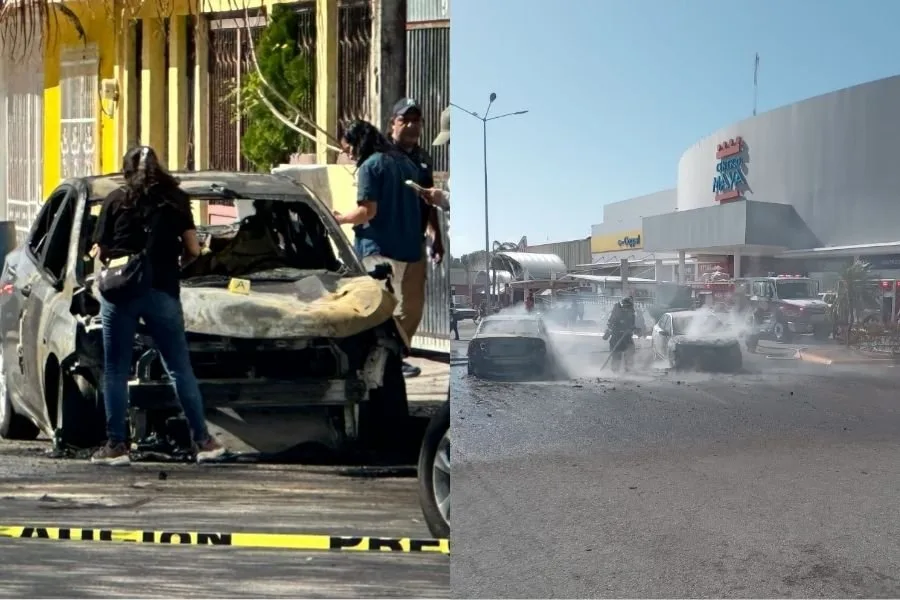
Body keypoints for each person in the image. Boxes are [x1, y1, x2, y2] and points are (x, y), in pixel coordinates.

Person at [90, 146, 226, 466]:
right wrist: (175, 264)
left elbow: (101, 251)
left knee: (116, 370)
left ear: (126, 170)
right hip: (162, 290)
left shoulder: (115, 201)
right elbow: (193, 249)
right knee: (179, 368)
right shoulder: (176, 201)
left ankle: (117, 446)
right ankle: (203, 441)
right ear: (159, 168)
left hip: (120, 294)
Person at [333, 121, 427, 372]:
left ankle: (382, 363)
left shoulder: (370, 166)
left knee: (374, 312)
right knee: (390, 307)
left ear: (358, 142)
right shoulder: (406, 164)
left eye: (348, 148)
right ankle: (391, 362)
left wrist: (340, 218)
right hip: (403, 251)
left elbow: (368, 211)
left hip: (377, 250)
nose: (348, 155)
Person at [387, 98, 446, 377]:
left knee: (412, 307)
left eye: (416, 120)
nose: (411, 125)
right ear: (392, 124)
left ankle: (396, 355)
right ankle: (386, 358)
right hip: (387, 245)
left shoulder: (423, 159)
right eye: (404, 120)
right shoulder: (382, 157)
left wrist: (437, 236)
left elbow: (429, 201)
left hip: (415, 243)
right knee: (386, 304)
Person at [604, 296, 639, 372]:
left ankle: (628, 370)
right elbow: (610, 324)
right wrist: (610, 331)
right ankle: (615, 371)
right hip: (616, 337)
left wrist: (633, 329)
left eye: (629, 307)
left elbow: (632, 325)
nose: (628, 309)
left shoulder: (631, 313)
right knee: (616, 355)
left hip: (627, 337)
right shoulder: (616, 313)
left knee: (630, 352)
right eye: (626, 307)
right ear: (623, 306)